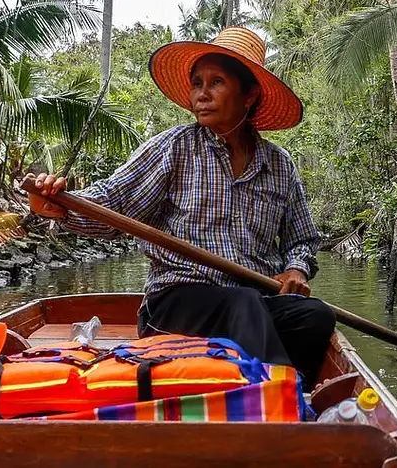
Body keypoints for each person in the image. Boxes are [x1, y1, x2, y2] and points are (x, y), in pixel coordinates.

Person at [26, 26, 335, 387]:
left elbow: (303, 240)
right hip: (178, 301)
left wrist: (296, 270)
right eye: (197, 83)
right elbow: (113, 204)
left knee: (314, 315)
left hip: (255, 303)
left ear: (249, 95)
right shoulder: (175, 148)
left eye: (216, 82)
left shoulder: (279, 165)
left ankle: (262, 378)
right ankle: (280, 395)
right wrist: (61, 205)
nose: (201, 94)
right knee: (243, 304)